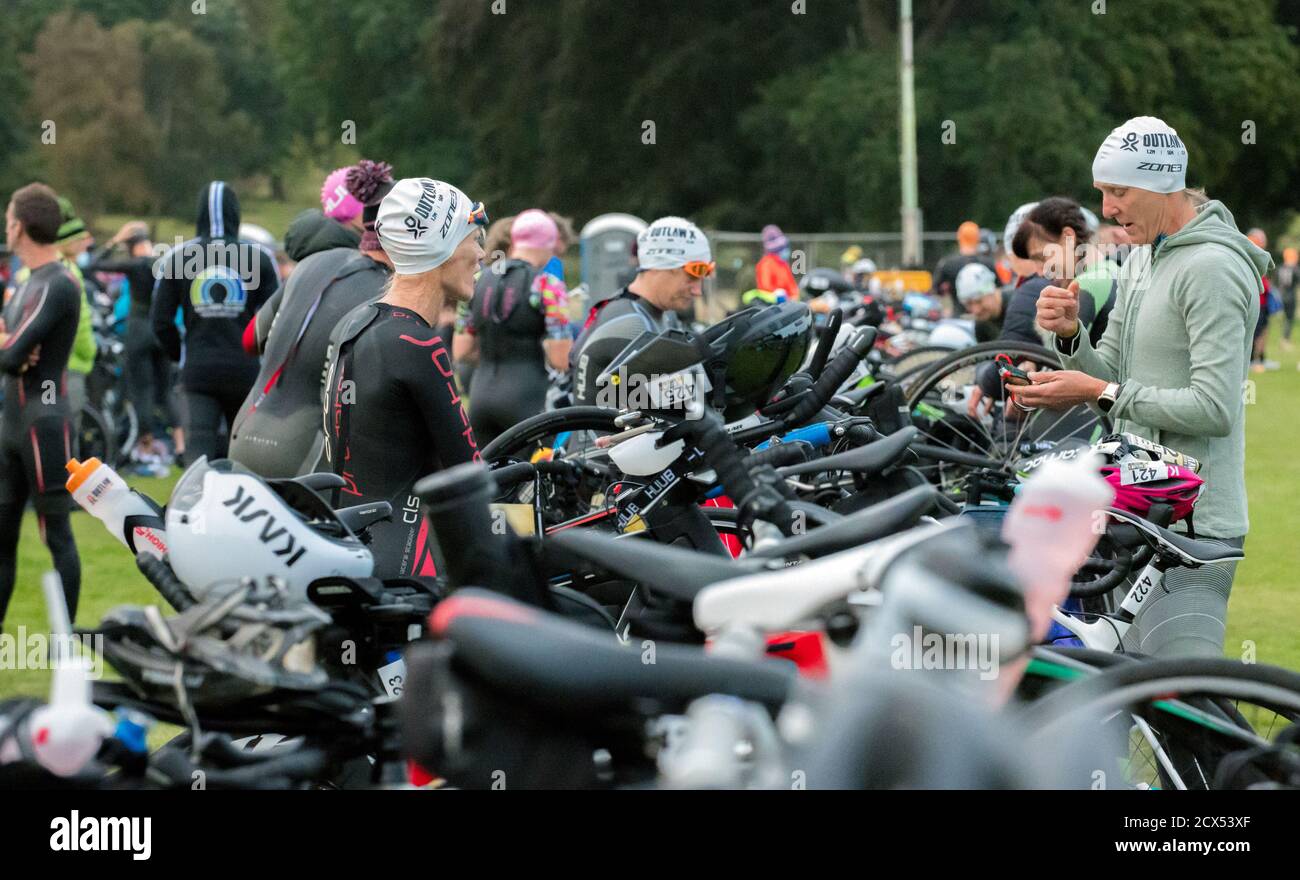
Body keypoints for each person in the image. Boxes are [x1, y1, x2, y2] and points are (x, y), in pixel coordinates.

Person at [1023, 115, 1268, 658]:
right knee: (1133, 702)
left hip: (1193, 528)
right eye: (1103, 193)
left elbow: (1214, 407)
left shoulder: (1213, 268)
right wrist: (1070, 335)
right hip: (1136, 508)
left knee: (1187, 705)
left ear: (1161, 184)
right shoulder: (1144, 255)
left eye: (1118, 192)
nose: (1107, 210)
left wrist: (1099, 391)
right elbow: (1111, 368)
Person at [323, 177, 486, 578]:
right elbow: (470, 471)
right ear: (443, 248)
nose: (483, 253)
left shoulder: (359, 323)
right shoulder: (416, 342)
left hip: (347, 545)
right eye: (474, 239)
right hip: (408, 563)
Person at [230, 161, 395, 477]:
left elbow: (252, 339)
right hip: (306, 445)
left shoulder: (308, 265)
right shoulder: (380, 278)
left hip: (247, 425)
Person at [151, 180, 280, 464]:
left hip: (198, 368)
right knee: (247, 455)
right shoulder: (259, 257)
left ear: (199, 215)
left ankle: (197, 506)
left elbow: (160, 322)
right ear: (236, 213)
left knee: (199, 450)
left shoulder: (178, 257)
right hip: (245, 368)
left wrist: (180, 353)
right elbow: (278, 318)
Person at [0, 183, 82, 627]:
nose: (5, 226)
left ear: (20, 226)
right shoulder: (27, 283)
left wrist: (11, 347)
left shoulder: (59, 284)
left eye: (9, 218)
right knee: (1, 539)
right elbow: (10, 350)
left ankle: (65, 643)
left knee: (57, 537)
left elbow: (13, 357)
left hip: (44, 424)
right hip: (12, 424)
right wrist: (10, 345)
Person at [453, 209, 570, 446]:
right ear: (549, 244)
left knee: (490, 478)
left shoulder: (478, 280)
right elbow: (561, 359)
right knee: (534, 477)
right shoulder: (547, 285)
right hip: (527, 396)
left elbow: (462, 350)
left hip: (480, 396)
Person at [570, 216, 713, 406]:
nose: (698, 290)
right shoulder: (631, 322)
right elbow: (668, 401)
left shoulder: (664, 313)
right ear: (659, 267)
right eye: (691, 276)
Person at [88, 221, 173, 455]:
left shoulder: (134, 265)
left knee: (142, 389)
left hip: (137, 329)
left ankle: (144, 447)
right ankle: (181, 444)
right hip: (161, 329)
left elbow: (93, 265)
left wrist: (114, 240)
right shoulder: (163, 264)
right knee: (166, 392)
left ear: (131, 245)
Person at [930, 220, 996, 311]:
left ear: (959, 238)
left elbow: (935, 290)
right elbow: (998, 289)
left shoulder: (947, 263)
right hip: (984, 315)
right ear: (977, 238)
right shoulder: (988, 263)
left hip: (958, 315)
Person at [1246, 228, 1278, 372]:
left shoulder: (1259, 257)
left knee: (1263, 331)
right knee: (1254, 332)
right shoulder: (1249, 256)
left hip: (1264, 303)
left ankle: (1261, 359)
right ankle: (1252, 360)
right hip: (1256, 302)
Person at [755, 224, 798, 303]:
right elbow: (765, 287)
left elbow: (792, 287)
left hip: (789, 304)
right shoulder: (766, 264)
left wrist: (793, 297)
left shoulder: (783, 264)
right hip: (773, 306)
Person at [1276, 246, 1298, 350]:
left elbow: (1276, 282)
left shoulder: (1280, 267)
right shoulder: (1295, 269)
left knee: (1283, 319)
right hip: (1290, 296)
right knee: (1289, 319)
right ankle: (1285, 340)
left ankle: (1283, 339)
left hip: (1280, 296)